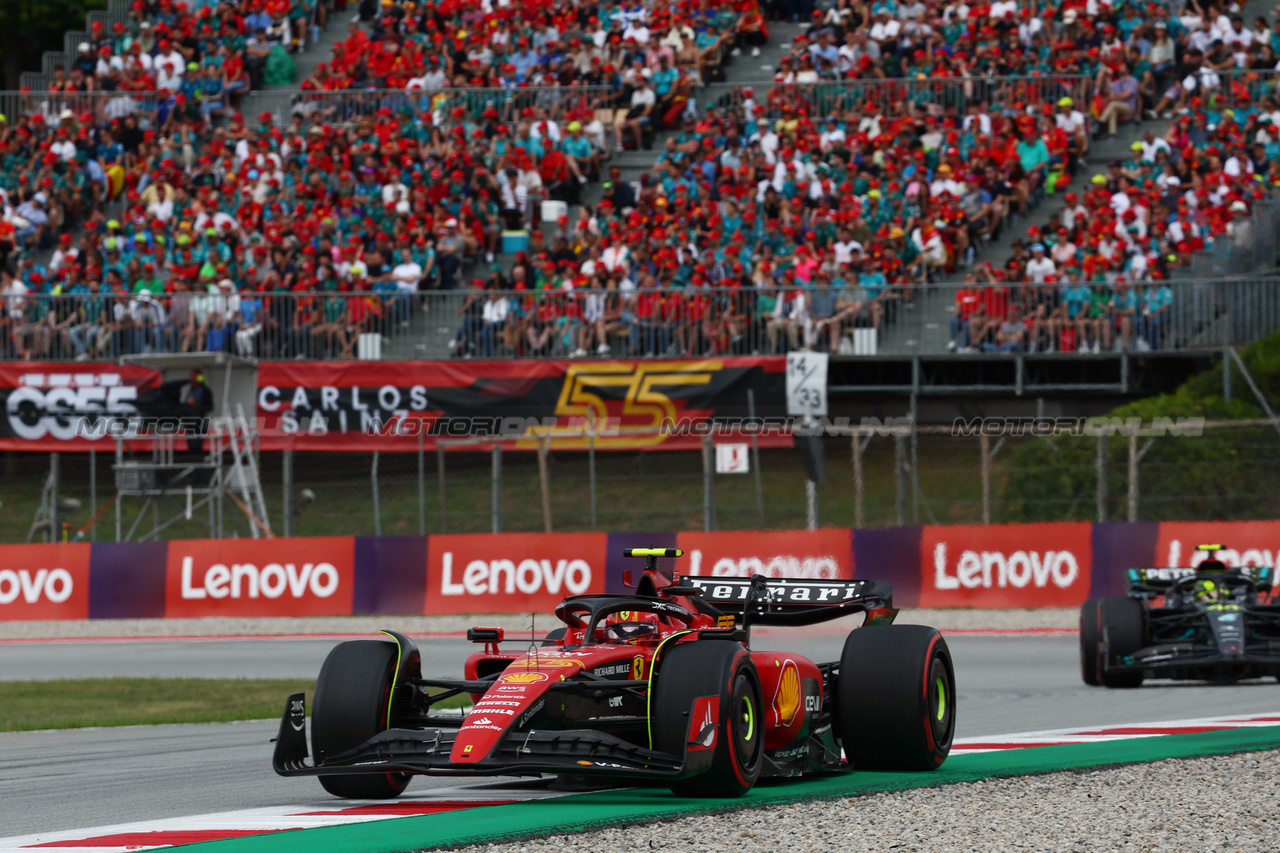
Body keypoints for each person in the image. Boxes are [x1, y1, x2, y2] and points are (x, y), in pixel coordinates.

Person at [178, 369, 213, 453]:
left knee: (197, 446)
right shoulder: (190, 390)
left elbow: (209, 407)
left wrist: (196, 405)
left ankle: (198, 459)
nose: (191, 379)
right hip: (189, 424)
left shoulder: (205, 391)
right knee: (191, 446)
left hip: (199, 424)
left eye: (193, 376)